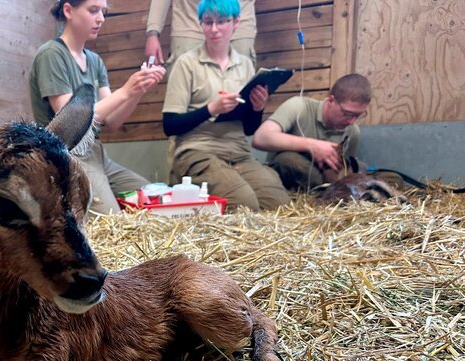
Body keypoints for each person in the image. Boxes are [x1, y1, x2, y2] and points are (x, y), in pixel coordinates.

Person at [29, 0, 166, 214]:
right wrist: (126, 90)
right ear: (68, 11)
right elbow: (71, 122)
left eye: (103, 12)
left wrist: (138, 90)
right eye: (93, 11)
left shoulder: (94, 61)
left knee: (154, 198)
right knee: (111, 219)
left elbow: (113, 120)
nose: (101, 18)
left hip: (96, 153)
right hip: (65, 155)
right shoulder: (51, 54)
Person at [162, 0, 289, 211]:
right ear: (201, 24)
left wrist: (257, 108)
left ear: (235, 22)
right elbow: (170, 125)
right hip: (197, 150)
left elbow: (249, 129)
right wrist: (212, 109)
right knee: (244, 204)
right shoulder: (186, 63)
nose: (214, 29)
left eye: (221, 21)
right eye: (208, 22)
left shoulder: (245, 64)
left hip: (239, 152)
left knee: (279, 205)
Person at [252, 74, 404, 191]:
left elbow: (345, 170)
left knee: (393, 178)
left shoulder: (352, 132)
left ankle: (344, 191)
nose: (351, 121)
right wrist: (313, 146)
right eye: (347, 113)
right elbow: (260, 138)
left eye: (358, 115)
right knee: (288, 160)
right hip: (294, 174)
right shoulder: (299, 107)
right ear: (331, 100)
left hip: (330, 181)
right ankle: (341, 191)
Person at [145, 0, 257, 68]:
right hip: (189, 20)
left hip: (238, 20)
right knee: (183, 84)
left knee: (241, 90)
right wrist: (153, 33)